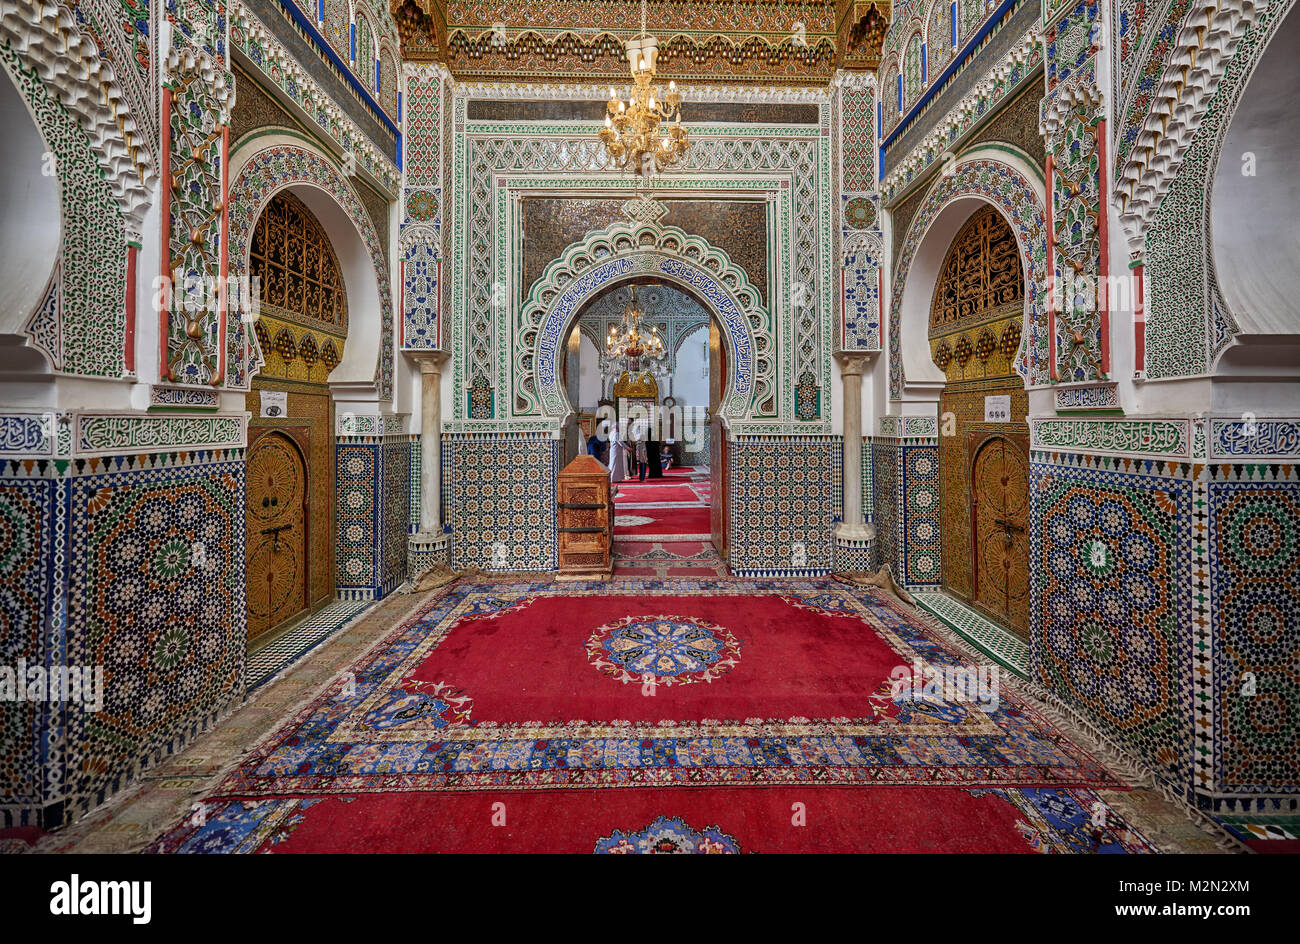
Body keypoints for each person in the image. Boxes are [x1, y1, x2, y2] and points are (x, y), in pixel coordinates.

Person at [607, 420, 627, 484]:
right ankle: (613, 478)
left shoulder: (611, 433)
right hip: (616, 450)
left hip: (614, 450)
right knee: (614, 464)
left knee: (615, 464)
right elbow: (620, 442)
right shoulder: (616, 433)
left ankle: (616, 478)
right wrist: (628, 448)